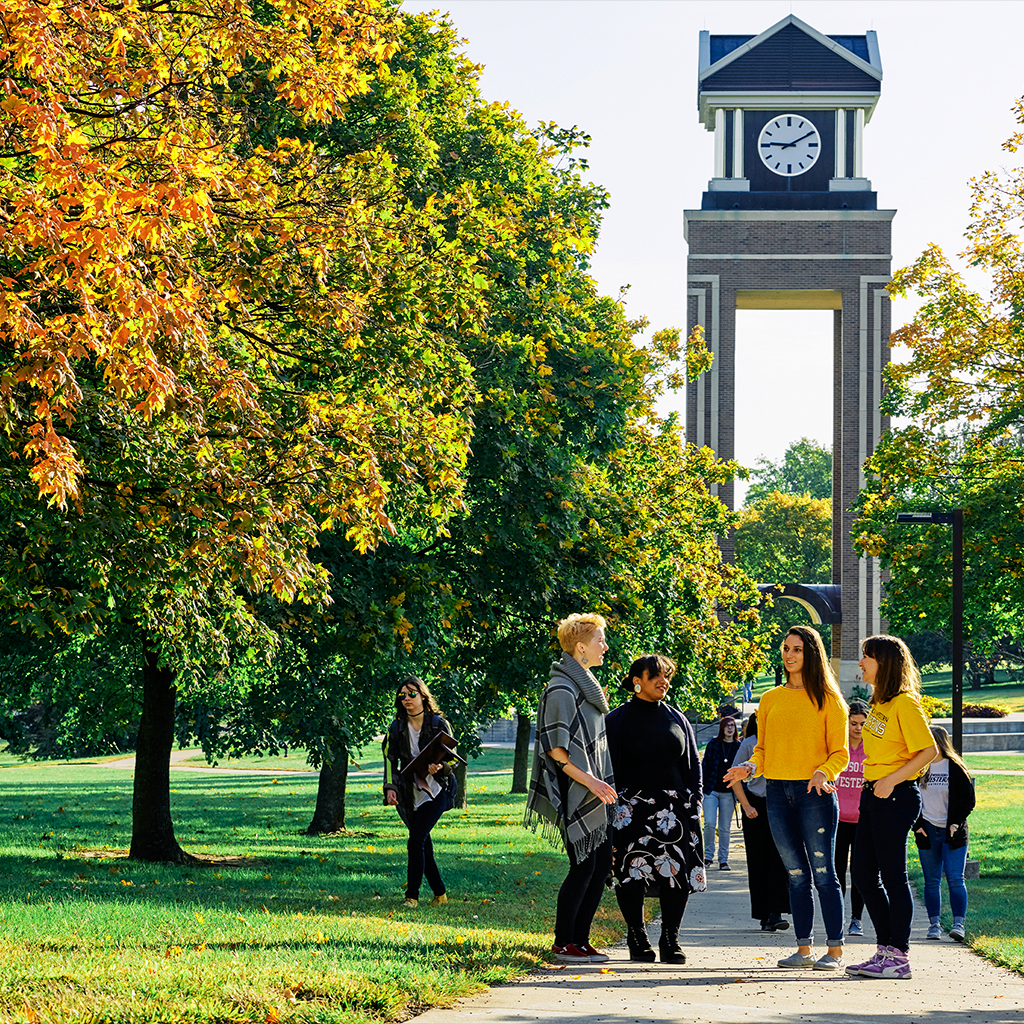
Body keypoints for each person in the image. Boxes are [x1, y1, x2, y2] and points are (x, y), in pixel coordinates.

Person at [724, 625, 849, 972]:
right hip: (777, 792)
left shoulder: (829, 699)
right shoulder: (770, 699)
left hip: (815, 794)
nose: (789, 655)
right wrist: (748, 768)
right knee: (795, 874)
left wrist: (825, 771)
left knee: (824, 874)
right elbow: (763, 749)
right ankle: (803, 949)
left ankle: (835, 950)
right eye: (785, 648)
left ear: (811, 654)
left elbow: (841, 754)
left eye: (797, 649)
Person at [524, 613, 617, 964]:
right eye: (599, 641)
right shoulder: (562, 687)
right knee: (583, 866)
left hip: (596, 792)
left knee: (598, 866)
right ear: (580, 647)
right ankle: (563, 942)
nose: (604, 647)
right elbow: (556, 749)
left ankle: (581, 940)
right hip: (574, 790)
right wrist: (591, 780)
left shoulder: (585, 685)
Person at [846, 634, 937, 981]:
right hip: (873, 795)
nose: (861, 664)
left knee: (893, 877)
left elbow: (928, 751)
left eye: (866, 657)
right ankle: (885, 950)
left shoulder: (905, 703)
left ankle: (899, 956)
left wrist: (892, 781)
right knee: (865, 877)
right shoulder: (879, 703)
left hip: (895, 797)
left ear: (883, 662)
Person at [605, 654, 705, 963]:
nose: (664, 682)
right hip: (629, 808)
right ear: (638, 681)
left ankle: (670, 939)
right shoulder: (617, 719)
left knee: (676, 873)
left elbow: (692, 764)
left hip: (674, 808)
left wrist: (695, 800)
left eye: (667, 676)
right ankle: (637, 937)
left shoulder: (676, 717)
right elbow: (607, 765)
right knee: (631, 873)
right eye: (656, 676)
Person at [382, 676, 457, 908]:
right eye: (402, 695)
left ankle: (411, 897)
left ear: (423, 696)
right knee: (423, 845)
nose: (406, 699)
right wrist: (390, 789)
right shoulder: (396, 728)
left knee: (415, 841)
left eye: (411, 694)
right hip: (408, 794)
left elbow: (453, 759)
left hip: (437, 791)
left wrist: (441, 767)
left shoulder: (438, 724)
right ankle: (440, 894)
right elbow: (388, 760)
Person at [728, 712, 791, 933]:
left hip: (781, 804)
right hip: (756, 805)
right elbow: (734, 778)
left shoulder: (785, 741)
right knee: (758, 860)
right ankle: (764, 914)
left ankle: (776, 912)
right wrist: (746, 806)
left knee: (779, 859)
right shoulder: (749, 744)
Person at [914, 724, 975, 942]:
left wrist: (956, 823)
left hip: (953, 832)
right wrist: (917, 824)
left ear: (939, 742)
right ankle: (934, 925)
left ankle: (959, 924)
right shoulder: (918, 768)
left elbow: (969, 800)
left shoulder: (955, 768)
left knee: (955, 879)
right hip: (927, 830)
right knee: (931, 881)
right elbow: (909, 799)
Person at [834, 699, 869, 937]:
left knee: (859, 873)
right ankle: (837, 916)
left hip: (862, 820)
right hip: (837, 819)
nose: (857, 728)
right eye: (853, 723)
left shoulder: (873, 747)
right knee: (836, 872)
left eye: (862, 724)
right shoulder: (838, 747)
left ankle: (856, 919)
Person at [701, 716, 741, 869]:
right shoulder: (713, 744)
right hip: (711, 789)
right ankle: (708, 857)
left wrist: (740, 795)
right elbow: (704, 767)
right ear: (722, 728)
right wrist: (702, 787)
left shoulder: (738, 746)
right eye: (726, 726)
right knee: (709, 823)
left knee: (725, 827)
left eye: (732, 725)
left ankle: (723, 860)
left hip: (729, 792)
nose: (729, 728)